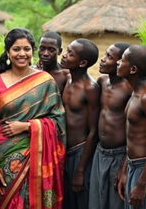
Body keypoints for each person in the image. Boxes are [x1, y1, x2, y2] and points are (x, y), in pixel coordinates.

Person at [0, 28, 66, 208]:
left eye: (26, 49)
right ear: (7, 52)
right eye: (16, 49)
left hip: (38, 153)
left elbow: (58, 122)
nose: (22, 54)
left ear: (32, 51)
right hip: (4, 156)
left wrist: (27, 126)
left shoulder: (45, 80)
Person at [88, 43, 132, 209]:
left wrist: (125, 165)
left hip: (119, 154)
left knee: (115, 201)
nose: (103, 60)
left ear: (121, 62)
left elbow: (136, 130)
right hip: (100, 152)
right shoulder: (102, 81)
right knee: (97, 200)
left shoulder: (129, 89)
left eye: (109, 57)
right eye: (105, 54)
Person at [60, 38, 100, 209]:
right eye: (66, 50)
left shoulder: (90, 88)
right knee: (66, 200)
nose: (64, 55)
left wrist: (81, 169)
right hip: (64, 150)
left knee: (81, 200)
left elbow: (93, 131)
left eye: (70, 54)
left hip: (80, 152)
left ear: (82, 62)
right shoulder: (68, 79)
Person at [117, 45, 146, 209]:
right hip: (133, 166)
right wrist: (125, 169)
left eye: (122, 60)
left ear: (133, 69)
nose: (118, 62)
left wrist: (142, 185)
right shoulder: (134, 93)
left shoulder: (144, 98)